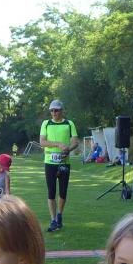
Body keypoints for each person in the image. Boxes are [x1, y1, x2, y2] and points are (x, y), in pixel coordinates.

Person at [39, 99, 79, 232]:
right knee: (51, 192)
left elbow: (75, 142)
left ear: (62, 111)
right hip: (49, 162)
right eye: (51, 110)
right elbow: (42, 142)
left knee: (63, 192)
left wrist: (68, 149)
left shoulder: (69, 123)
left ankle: (59, 215)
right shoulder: (46, 123)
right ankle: (53, 220)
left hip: (64, 163)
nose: (53, 113)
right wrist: (58, 144)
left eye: (56, 110)